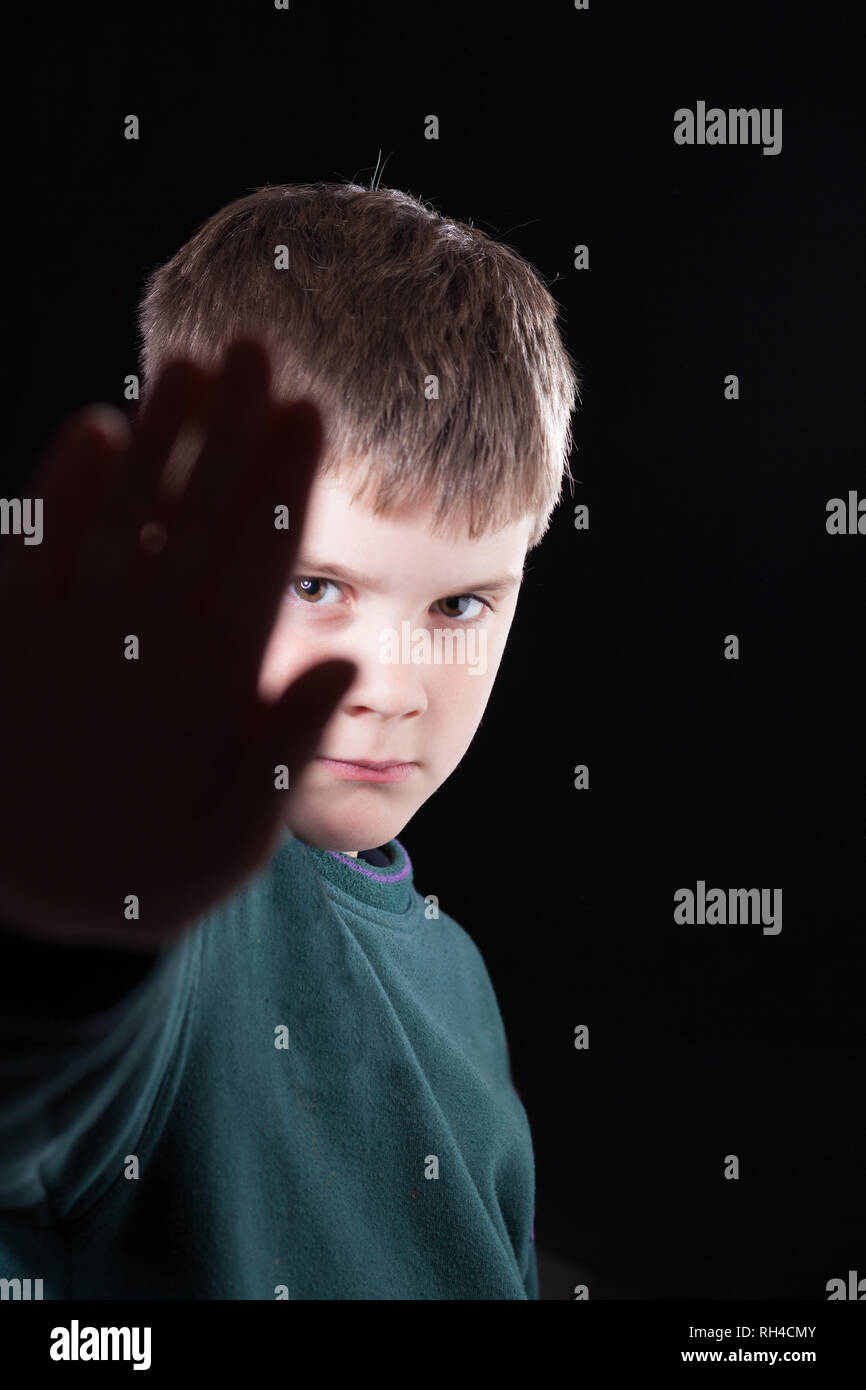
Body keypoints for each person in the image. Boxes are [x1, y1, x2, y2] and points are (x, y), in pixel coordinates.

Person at [0, 182, 581, 1299]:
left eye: (459, 605)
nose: (387, 688)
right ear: (179, 532)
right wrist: (56, 934)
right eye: (316, 584)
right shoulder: (158, 925)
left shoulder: (454, 979)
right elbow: (37, 1084)